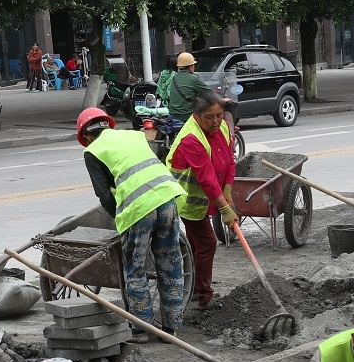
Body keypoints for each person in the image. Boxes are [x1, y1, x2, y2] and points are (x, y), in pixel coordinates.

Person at [77, 108, 187, 340]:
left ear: (86, 136)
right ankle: (172, 327)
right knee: (170, 263)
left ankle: (140, 328)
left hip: (139, 210)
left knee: (135, 270)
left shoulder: (93, 151)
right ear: (107, 125)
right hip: (166, 199)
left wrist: (119, 216)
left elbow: (105, 195)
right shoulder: (133, 135)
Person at [168, 89, 238, 311]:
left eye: (219, 115)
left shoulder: (223, 126)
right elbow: (207, 180)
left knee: (197, 244)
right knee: (207, 243)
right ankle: (204, 295)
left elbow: (229, 161)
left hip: (207, 196)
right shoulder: (191, 139)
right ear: (196, 116)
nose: (216, 120)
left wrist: (227, 189)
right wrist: (225, 208)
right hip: (186, 198)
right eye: (210, 117)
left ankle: (193, 287)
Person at [157, 52, 211, 124]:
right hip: (187, 116)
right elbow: (209, 92)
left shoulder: (174, 77)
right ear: (190, 66)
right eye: (193, 65)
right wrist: (222, 99)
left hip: (172, 114)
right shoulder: (193, 78)